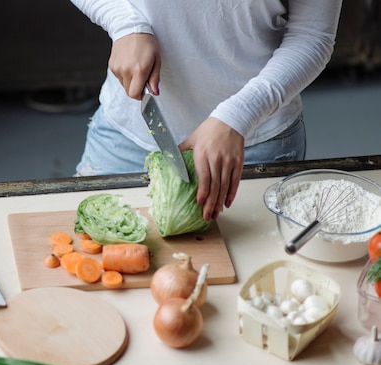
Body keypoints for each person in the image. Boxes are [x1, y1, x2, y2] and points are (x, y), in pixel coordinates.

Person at [70, 0, 343, 221]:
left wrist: (239, 115)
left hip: (251, 141)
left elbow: (313, 36)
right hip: (126, 135)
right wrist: (124, 23)